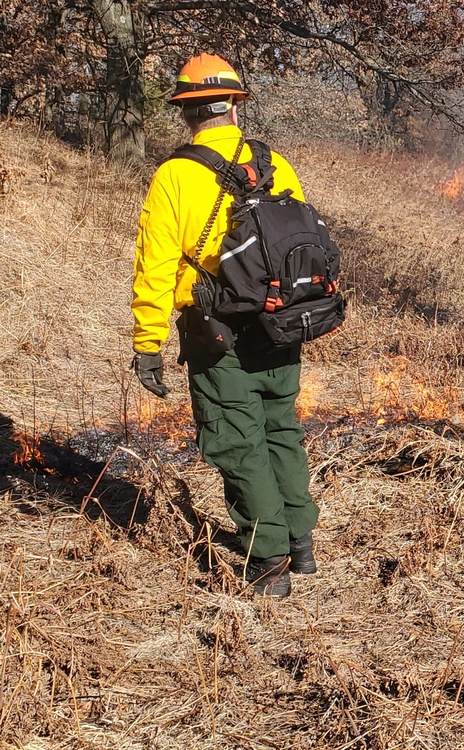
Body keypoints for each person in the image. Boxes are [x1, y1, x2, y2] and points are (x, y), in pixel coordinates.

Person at [130, 53, 319, 598]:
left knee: (237, 441)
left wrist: (148, 344)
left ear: (185, 111)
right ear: (236, 105)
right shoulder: (276, 163)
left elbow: (156, 265)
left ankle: (267, 563)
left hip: (218, 333)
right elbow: (297, 247)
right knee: (280, 427)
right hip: (282, 322)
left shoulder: (175, 175)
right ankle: (300, 542)